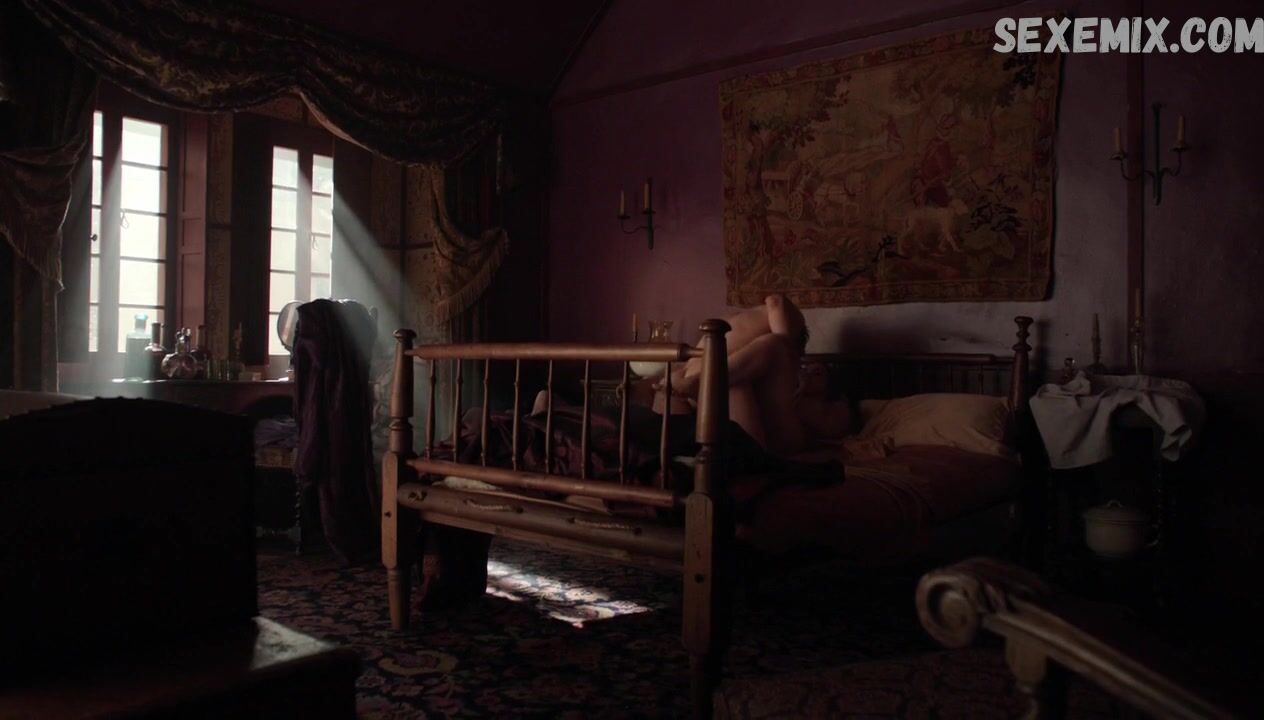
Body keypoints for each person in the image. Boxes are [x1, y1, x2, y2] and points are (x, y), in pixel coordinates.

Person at [655, 294, 810, 455]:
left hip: (704, 383)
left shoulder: (781, 331)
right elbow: (776, 302)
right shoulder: (778, 324)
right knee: (670, 386)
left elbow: (776, 304)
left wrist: (790, 357)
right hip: (696, 383)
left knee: (773, 345)